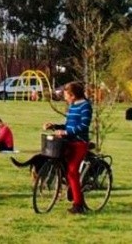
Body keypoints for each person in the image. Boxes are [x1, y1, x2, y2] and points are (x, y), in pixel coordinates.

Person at [44, 81, 93, 214]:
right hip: (68, 141)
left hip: (79, 143)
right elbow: (68, 125)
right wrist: (55, 126)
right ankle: (73, 190)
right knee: (64, 168)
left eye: (66, 95)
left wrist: (66, 132)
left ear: (73, 95)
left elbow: (84, 126)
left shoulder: (85, 106)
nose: (64, 98)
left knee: (72, 171)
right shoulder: (72, 106)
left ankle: (78, 205)